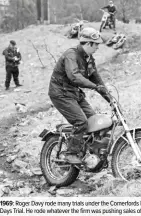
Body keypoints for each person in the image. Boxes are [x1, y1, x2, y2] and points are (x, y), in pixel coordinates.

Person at [48, 27, 111, 164]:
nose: (98, 47)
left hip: (74, 93)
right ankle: (71, 153)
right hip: (60, 93)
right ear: (88, 43)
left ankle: (88, 155)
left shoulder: (89, 59)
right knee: (81, 122)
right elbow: (74, 77)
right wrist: (94, 87)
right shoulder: (71, 55)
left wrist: (110, 100)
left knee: (95, 121)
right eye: (96, 44)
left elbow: (97, 79)